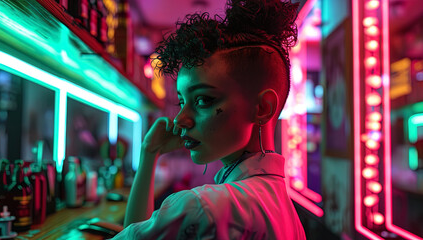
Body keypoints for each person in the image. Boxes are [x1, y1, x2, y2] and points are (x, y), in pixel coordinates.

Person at [112, 0, 306, 239]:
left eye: (203, 100)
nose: (180, 119)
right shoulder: (286, 212)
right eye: (182, 102)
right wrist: (150, 152)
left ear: (262, 107)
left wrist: (147, 154)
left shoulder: (203, 208)